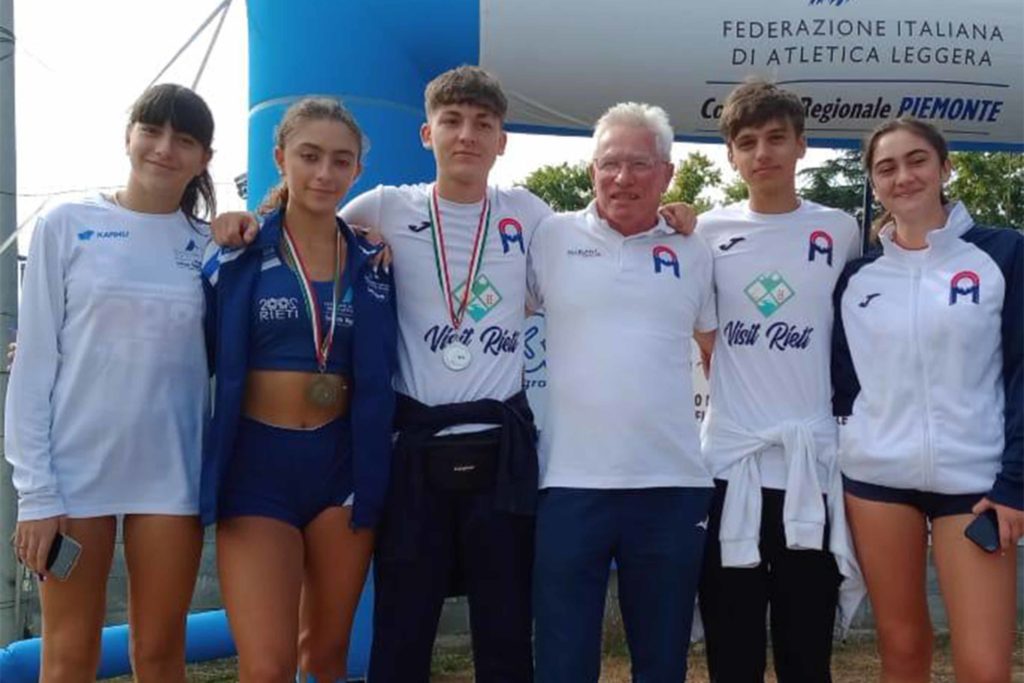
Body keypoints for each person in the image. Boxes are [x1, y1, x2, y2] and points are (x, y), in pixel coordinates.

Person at [211, 66, 696, 682]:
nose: (467, 135)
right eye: (452, 121)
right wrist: (245, 220)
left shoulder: (532, 215)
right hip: (414, 451)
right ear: (427, 133)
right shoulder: (384, 207)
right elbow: (306, 227)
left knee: (504, 633)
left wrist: (674, 215)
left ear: (502, 141)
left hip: (502, 452)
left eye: (483, 124)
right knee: (403, 630)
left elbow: (603, 232)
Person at [5, 83, 215, 682]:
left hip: (172, 477)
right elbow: (34, 365)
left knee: (160, 654)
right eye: (152, 131)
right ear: (129, 137)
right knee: (68, 656)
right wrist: (36, 494)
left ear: (204, 158)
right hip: (71, 482)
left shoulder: (213, 246)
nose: (164, 148)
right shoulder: (66, 225)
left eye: (184, 139)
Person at [200, 97, 396, 682]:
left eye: (341, 161)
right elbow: (174, 337)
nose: (324, 173)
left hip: (342, 468)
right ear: (281, 158)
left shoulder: (374, 259)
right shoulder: (238, 252)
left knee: (327, 657)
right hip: (257, 469)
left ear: (357, 171)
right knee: (267, 667)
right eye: (310, 156)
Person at [527, 102, 716, 682]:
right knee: (562, 664)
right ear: (592, 171)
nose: (622, 177)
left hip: (671, 487)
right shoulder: (550, 236)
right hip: (568, 484)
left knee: (661, 664)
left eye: (639, 164)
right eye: (609, 163)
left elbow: (718, 354)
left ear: (667, 173)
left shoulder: (696, 248)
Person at [832, 117, 1023, 683]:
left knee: (985, 669)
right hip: (876, 481)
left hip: (977, 483)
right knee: (902, 652)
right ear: (874, 183)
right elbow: (844, 382)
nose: (903, 176)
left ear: (945, 167)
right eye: (886, 167)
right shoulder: (857, 278)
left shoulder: (1004, 254)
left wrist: (1016, 481)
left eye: (917, 160)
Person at [695, 79, 863, 682]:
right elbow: (704, 332)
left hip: (809, 469)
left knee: (805, 651)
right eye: (747, 142)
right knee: (732, 650)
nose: (762, 153)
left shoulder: (840, 230)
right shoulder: (705, 231)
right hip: (730, 466)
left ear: (801, 145)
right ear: (731, 156)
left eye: (775, 138)